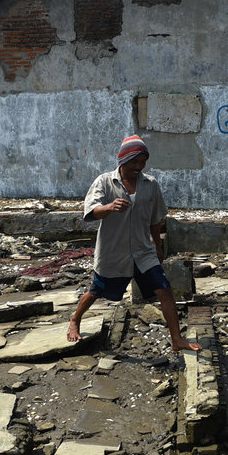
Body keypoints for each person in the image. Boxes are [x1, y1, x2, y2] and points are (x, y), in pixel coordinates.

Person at [67, 135, 202, 353]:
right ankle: (75, 319)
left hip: (143, 251)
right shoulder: (104, 182)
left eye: (143, 162)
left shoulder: (150, 185)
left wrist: (157, 246)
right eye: (134, 162)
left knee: (165, 290)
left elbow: (156, 220)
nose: (139, 167)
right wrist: (109, 207)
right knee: (96, 290)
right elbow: (91, 211)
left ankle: (177, 340)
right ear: (123, 160)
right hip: (113, 252)